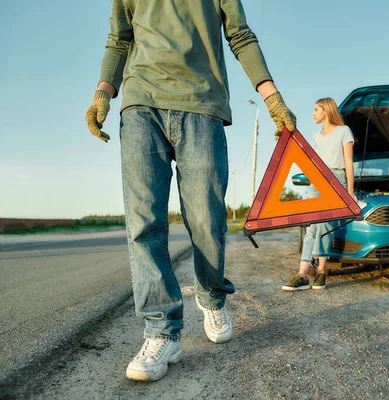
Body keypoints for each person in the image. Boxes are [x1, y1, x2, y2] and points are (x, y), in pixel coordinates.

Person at [85, 0, 296, 382]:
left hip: (202, 103)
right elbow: (119, 40)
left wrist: (272, 97)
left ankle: (211, 296)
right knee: (144, 224)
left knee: (207, 220)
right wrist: (104, 91)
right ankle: (161, 331)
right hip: (140, 104)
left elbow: (240, 35)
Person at [282, 98, 355, 292]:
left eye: (316, 110)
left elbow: (348, 163)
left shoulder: (344, 131)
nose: (313, 113)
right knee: (312, 225)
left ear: (327, 111)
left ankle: (320, 270)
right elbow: (315, 165)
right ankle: (303, 274)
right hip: (317, 180)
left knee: (323, 224)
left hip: (336, 179)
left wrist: (350, 192)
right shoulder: (316, 136)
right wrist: (308, 190)